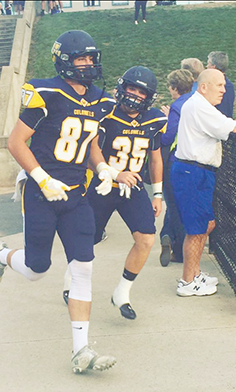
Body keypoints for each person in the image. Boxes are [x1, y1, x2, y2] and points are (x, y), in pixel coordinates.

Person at [0, 30, 136, 374]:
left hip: (75, 195)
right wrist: (41, 178)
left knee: (83, 268)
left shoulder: (100, 100)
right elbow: (15, 142)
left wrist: (102, 169)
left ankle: (81, 350)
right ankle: (2, 255)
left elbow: (91, 143)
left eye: (90, 58)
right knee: (38, 270)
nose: (87, 64)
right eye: (80, 58)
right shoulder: (47, 92)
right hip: (41, 193)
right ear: (65, 61)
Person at [65, 66, 166, 320]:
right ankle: (70, 282)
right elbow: (91, 151)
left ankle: (122, 292)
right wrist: (112, 172)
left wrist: (157, 193)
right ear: (122, 87)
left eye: (140, 92)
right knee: (89, 239)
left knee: (146, 239)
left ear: (149, 97)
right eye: (131, 88)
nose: (134, 94)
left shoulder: (153, 119)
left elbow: (155, 159)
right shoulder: (106, 114)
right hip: (104, 187)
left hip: (132, 188)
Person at [171, 69, 236, 297]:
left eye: (224, 85)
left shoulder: (200, 105)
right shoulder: (199, 106)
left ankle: (195, 274)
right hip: (193, 172)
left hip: (198, 172)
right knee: (197, 229)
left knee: (207, 224)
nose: (223, 89)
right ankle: (187, 282)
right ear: (203, 87)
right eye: (219, 85)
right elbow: (230, 127)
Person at [159, 69, 193, 267]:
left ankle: (175, 246)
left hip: (176, 160)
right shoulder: (196, 102)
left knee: (173, 204)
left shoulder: (177, 106)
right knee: (181, 204)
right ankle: (167, 235)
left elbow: (167, 136)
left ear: (174, 88)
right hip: (194, 160)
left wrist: (166, 120)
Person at [206, 51, 235, 118]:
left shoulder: (212, 86)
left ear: (213, 67)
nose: (207, 66)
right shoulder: (229, 85)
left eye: (208, 64)